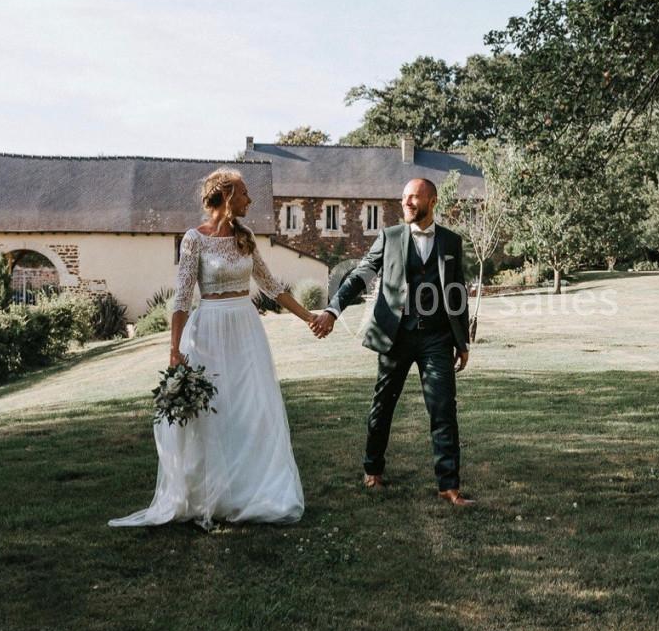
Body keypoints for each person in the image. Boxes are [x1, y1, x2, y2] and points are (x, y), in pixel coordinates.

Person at [109, 168, 314, 529]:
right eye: (245, 194)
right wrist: (174, 351)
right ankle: (208, 494)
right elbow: (182, 297)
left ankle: (253, 490)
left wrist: (309, 316)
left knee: (251, 410)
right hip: (207, 331)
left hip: (246, 330)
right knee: (213, 412)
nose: (250, 200)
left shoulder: (246, 237)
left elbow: (272, 286)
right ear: (226, 196)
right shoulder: (194, 239)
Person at [309, 178, 475, 506]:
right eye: (404, 198)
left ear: (432, 200)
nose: (407, 203)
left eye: (414, 197)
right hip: (395, 336)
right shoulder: (389, 237)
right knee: (383, 404)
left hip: (437, 339)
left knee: (443, 409)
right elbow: (360, 275)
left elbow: (456, 292)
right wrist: (333, 308)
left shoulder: (451, 242)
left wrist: (462, 341)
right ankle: (373, 470)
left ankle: (449, 485)